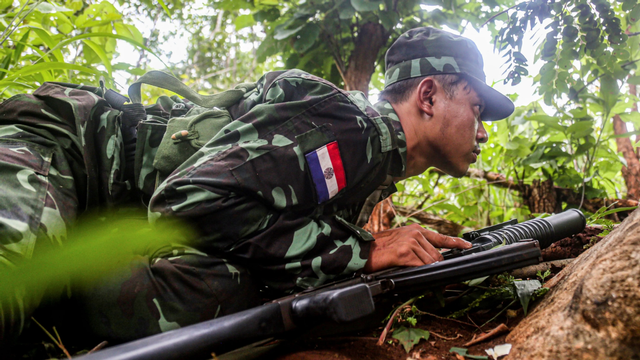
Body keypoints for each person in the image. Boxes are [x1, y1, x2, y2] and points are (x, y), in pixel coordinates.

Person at [0, 27, 514, 342]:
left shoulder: (375, 168)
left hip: (104, 206)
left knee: (231, 288)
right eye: (476, 109)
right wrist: (359, 250)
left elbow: (253, 244)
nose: (484, 129)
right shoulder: (352, 129)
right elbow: (190, 201)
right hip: (60, 145)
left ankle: (56, 293)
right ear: (427, 95)